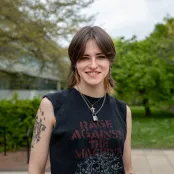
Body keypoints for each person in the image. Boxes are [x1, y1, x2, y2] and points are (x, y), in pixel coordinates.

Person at [28, 26, 135, 174]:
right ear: (75, 63)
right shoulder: (51, 105)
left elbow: (128, 169)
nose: (93, 65)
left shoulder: (123, 111)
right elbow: (35, 169)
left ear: (109, 61)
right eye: (84, 58)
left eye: (100, 56)